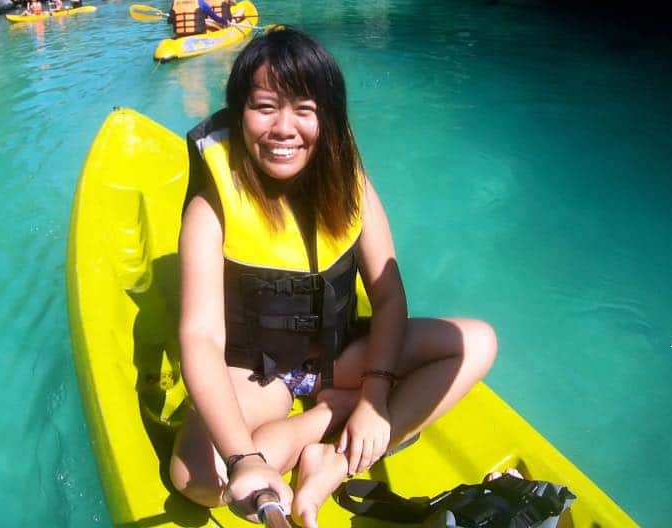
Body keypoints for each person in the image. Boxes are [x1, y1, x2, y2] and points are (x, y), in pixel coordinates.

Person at [168, 28, 498, 528]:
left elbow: (387, 297)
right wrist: (242, 459)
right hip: (259, 370)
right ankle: (319, 423)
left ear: (329, 116)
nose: (284, 128)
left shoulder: (351, 185)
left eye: (305, 108)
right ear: (240, 113)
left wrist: (373, 398)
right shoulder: (212, 204)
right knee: (198, 481)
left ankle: (332, 461)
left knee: (476, 343)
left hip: (339, 356)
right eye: (264, 107)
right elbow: (201, 335)